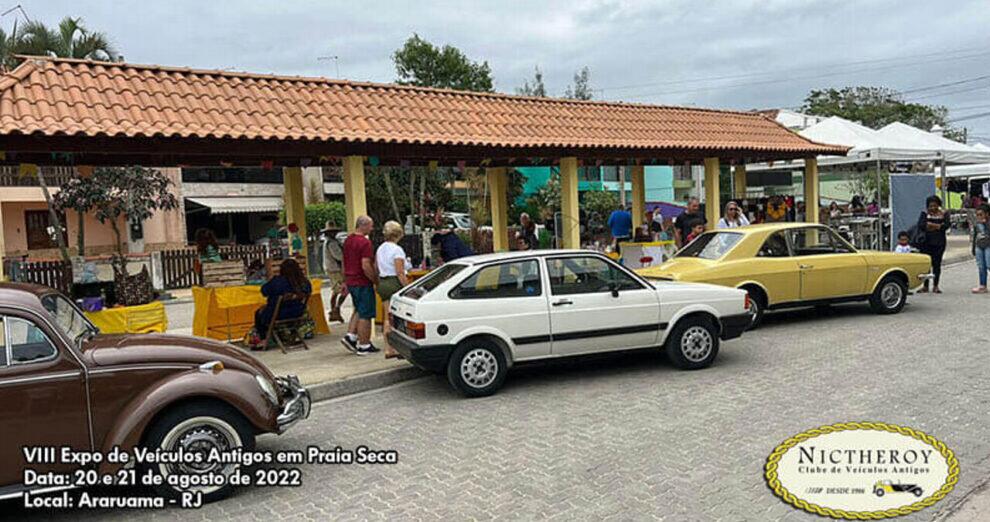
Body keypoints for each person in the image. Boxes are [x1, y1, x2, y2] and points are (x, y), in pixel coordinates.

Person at [251, 258, 311, 347]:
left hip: (278, 313)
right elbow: (308, 291)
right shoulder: (305, 282)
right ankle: (291, 335)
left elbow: (264, 291)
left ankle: (264, 339)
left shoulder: (278, 282)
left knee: (258, 313)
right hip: (298, 312)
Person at [342, 215, 380, 355]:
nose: (372, 228)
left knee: (358, 309)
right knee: (366, 313)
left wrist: (344, 280)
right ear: (363, 226)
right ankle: (364, 345)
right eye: (370, 225)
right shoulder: (364, 243)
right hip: (362, 281)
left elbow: (344, 262)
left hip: (351, 280)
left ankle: (351, 336)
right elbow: (365, 265)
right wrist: (375, 279)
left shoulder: (348, 240)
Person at [376, 221, 410, 358]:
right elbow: (400, 272)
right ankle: (390, 348)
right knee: (394, 318)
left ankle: (388, 347)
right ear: (399, 234)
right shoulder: (397, 250)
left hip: (383, 282)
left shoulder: (380, 248)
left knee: (386, 317)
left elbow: (377, 267)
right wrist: (408, 288)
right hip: (394, 283)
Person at [917, 195, 949, 294]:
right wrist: (938, 226)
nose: (933, 208)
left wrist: (931, 225)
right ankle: (925, 286)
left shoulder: (944, 214)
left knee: (936, 265)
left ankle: (935, 285)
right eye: (930, 206)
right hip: (926, 243)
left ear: (938, 205)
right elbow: (921, 225)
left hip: (939, 243)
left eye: (935, 205)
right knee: (926, 265)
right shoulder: (924, 214)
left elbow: (946, 226)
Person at [321, 225, 346, 323]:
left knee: (336, 291)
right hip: (335, 269)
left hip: (331, 268)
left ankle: (334, 310)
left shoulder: (330, 242)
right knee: (343, 290)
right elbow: (339, 256)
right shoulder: (331, 243)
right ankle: (336, 309)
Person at [971, 204, 990, 293]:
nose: (978, 217)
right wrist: (973, 248)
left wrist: (985, 223)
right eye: (977, 215)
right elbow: (975, 236)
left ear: (987, 214)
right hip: (979, 246)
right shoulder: (977, 224)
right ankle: (983, 285)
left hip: (988, 246)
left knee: (989, 264)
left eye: (981, 214)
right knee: (981, 266)